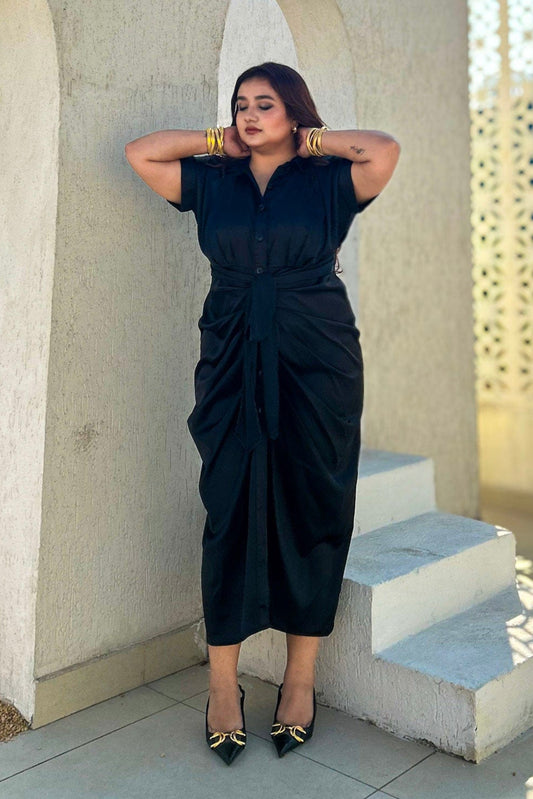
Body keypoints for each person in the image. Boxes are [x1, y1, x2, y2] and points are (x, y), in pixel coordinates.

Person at [125, 61, 400, 765]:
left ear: (294, 111)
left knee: (315, 504)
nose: (250, 114)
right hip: (231, 355)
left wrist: (311, 142)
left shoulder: (328, 181)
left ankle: (299, 681)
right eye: (241, 104)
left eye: (265, 104)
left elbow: (383, 150)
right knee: (229, 505)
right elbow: (142, 153)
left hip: (318, 356)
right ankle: (223, 686)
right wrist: (219, 140)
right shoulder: (212, 181)